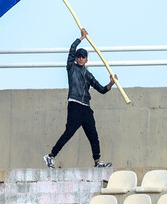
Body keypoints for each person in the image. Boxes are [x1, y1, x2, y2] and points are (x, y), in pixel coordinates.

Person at [44, 28, 116, 168]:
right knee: (69, 132)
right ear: (76, 58)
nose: (81, 58)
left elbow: (101, 89)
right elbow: (72, 49)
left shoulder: (88, 75)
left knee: (93, 135)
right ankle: (51, 156)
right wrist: (81, 38)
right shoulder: (71, 68)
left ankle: (97, 162)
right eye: (79, 56)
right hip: (75, 105)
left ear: (87, 59)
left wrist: (111, 84)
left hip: (86, 108)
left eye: (83, 57)